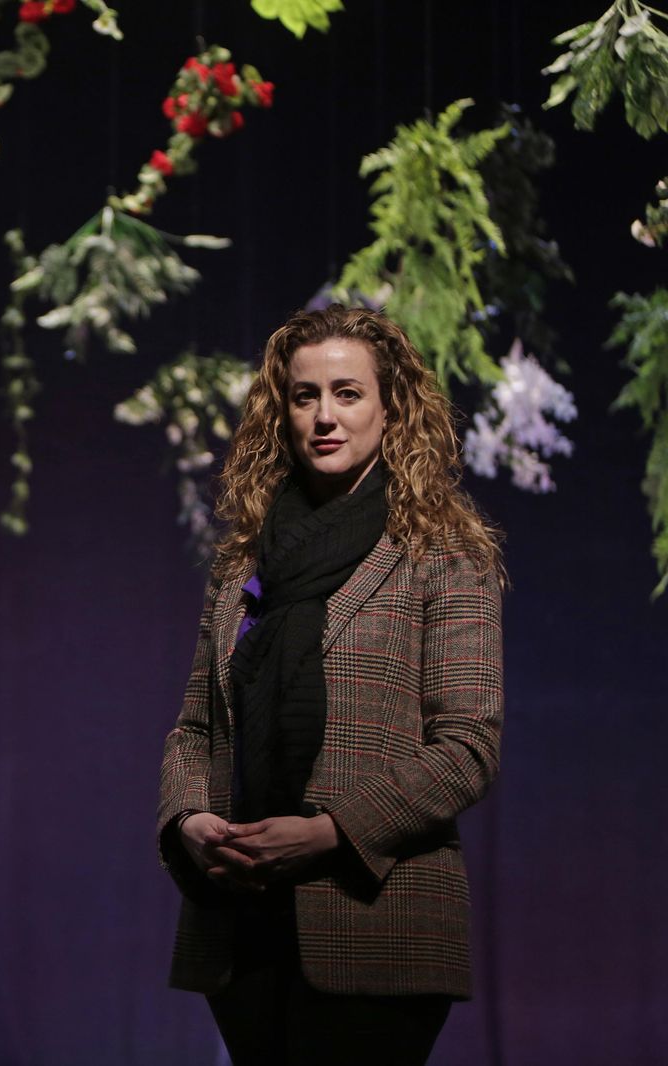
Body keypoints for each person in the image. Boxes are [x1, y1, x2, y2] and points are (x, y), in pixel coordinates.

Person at [156, 306, 504, 1066]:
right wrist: (188, 822)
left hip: (376, 922)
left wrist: (331, 831)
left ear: (391, 407)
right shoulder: (245, 561)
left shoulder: (441, 555)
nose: (324, 416)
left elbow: (468, 747)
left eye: (347, 393)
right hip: (243, 922)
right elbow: (195, 727)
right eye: (304, 395)